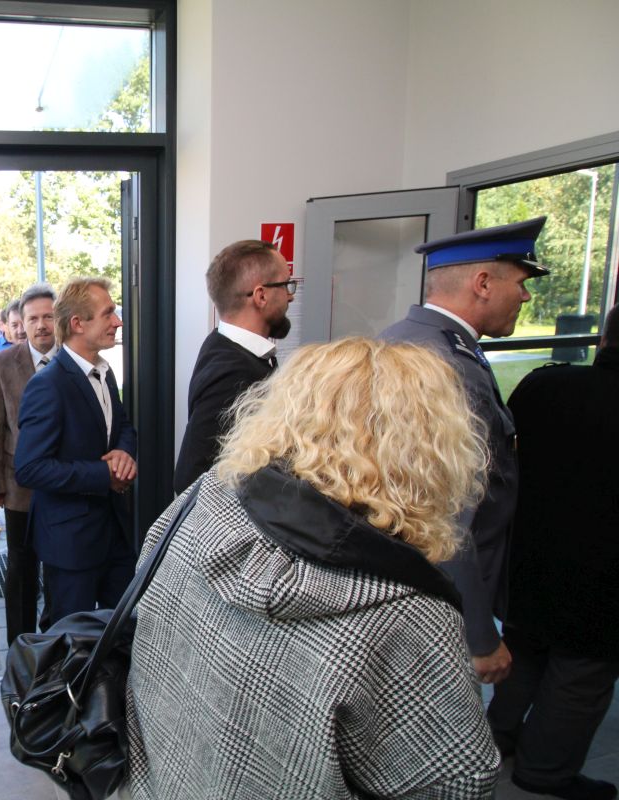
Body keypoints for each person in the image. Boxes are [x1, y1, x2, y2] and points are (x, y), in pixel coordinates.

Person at [126, 338, 499, 799]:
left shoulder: (201, 502)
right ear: (430, 450)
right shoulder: (408, 619)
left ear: (281, 412)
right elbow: (456, 783)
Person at [380, 216, 550, 685]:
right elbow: (443, 516)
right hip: (438, 603)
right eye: (521, 283)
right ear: (483, 283)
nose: (526, 297)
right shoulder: (448, 364)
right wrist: (478, 635)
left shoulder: (405, 338)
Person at [485, 306, 619, 800]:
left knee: (522, 653)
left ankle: (495, 738)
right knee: (581, 673)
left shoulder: (546, 385)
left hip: (529, 555)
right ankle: (545, 770)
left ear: (604, 340)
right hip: (603, 572)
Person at [14, 277, 136, 625]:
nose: (118, 321)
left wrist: (123, 454)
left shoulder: (104, 372)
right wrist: (104, 475)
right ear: (78, 324)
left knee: (120, 634)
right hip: (70, 545)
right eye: (108, 313)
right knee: (69, 642)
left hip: (115, 532)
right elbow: (29, 468)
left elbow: (122, 426)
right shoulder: (47, 385)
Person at [173, 239, 294, 493]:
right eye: (286, 285)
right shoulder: (234, 372)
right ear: (261, 296)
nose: (290, 295)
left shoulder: (223, 344)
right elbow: (190, 477)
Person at [0, 283, 57, 642]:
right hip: (18, 488)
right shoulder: (1, 363)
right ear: (21, 323)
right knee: (21, 570)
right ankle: (20, 648)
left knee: (59, 571)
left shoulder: (72, 357)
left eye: (48, 316)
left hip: (65, 485)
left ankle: (55, 645)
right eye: (33, 318)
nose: (41, 325)